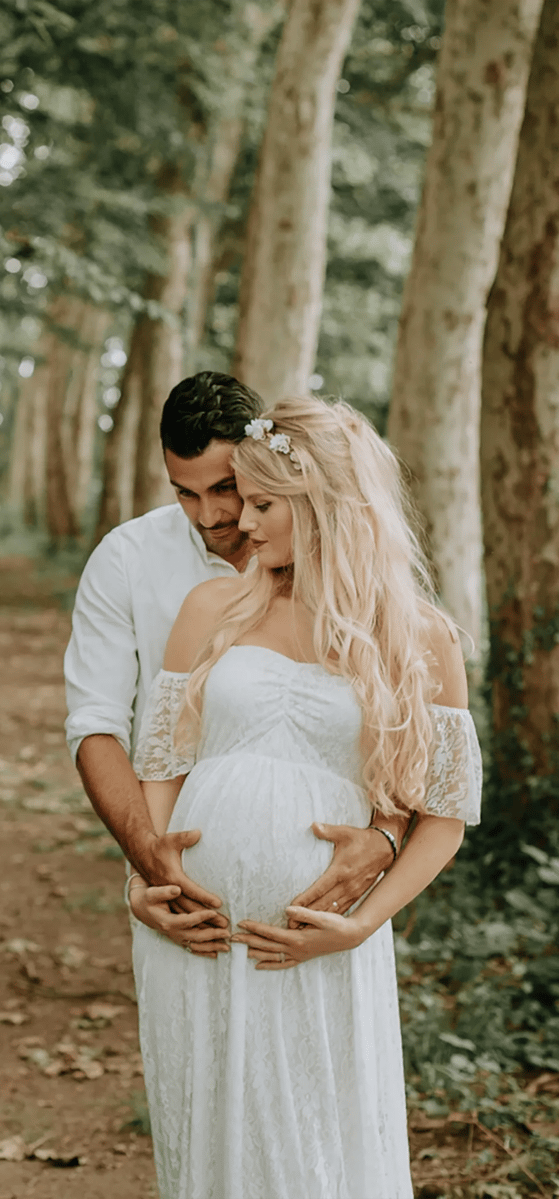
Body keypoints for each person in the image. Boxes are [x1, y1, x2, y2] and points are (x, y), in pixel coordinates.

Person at [127, 396, 482, 1199]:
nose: (240, 525)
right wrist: (144, 881)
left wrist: (359, 925)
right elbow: (163, 766)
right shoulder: (211, 608)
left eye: (261, 504)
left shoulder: (420, 636)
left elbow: (445, 816)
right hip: (200, 934)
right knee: (208, 1148)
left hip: (316, 945)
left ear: (324, 503)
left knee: (312, 1150)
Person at [65, 373, 405, 951]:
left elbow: (400, 726)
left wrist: (388, 837)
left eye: (228, 487)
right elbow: (96, 726)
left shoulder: (346, 581)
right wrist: (145, 862)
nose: (211, 515)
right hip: (183, 895)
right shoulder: (126, 559)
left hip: (323, 910)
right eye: (184, 492)